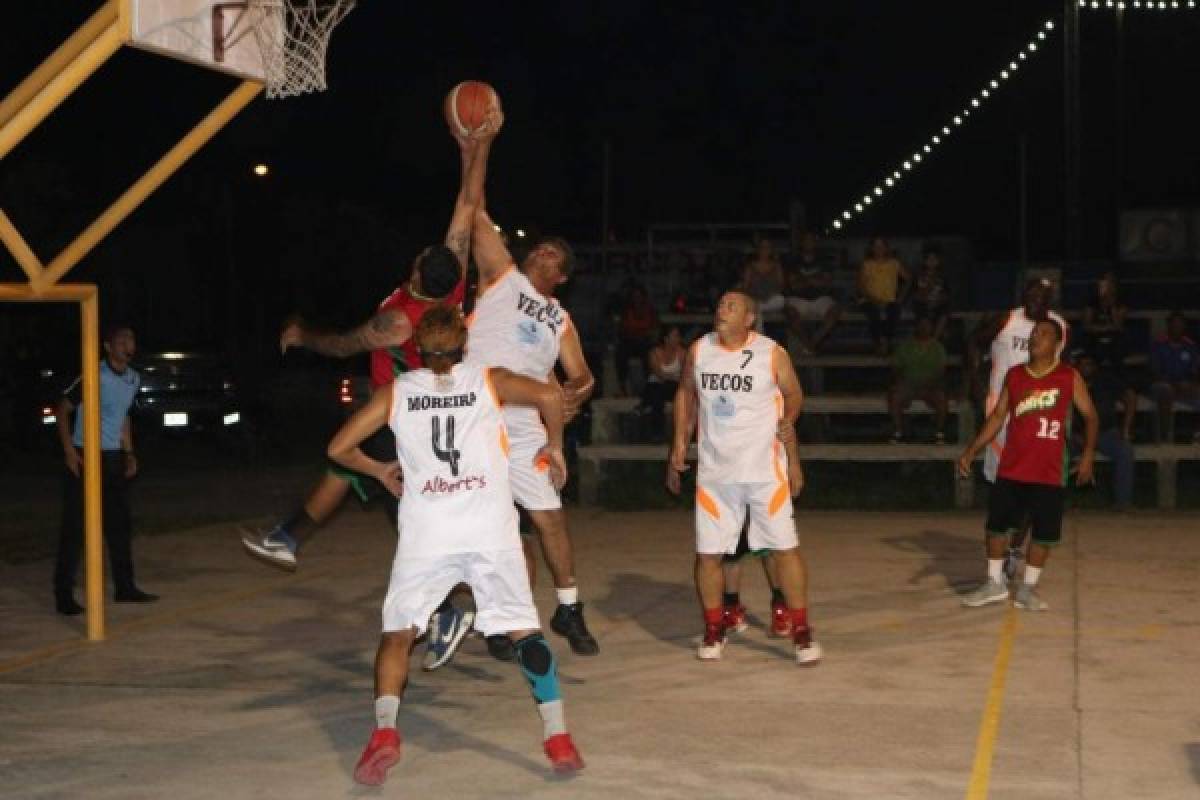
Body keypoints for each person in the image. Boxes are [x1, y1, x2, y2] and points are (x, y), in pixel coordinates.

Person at [242, 111, 501, 670]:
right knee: (344, 472)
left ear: (414, 275)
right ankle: (287, 537)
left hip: (401, 419)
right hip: (416, 412)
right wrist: (475, 143)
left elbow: (344, 345)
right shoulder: (451, 277)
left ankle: (453, 609)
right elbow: (469, 204)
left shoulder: (404, 320)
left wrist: (302, 333)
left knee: (406, 518)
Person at [328, 306, 584, 786]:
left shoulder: (396, 392)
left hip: (428, 531)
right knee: (523, 632)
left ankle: (385, 733)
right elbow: (551, 393)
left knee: (399, 633)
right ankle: (558, 738)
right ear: (465, 344)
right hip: (489, 529)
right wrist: (554, 445)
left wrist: (380, 470)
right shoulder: (490, 379)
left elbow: (338, 448)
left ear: (418, 352)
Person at [468, 206, 600, 657]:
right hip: (478, 416)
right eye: (540, 247)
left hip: (527, 424)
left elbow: (582, 374)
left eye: (553, 254)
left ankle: (568, 608)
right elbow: (474, 214)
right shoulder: (502, 278)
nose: (542, 252)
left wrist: (575, 391)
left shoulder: (559, 318)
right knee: (495, 531)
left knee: (550, 517)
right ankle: (500, 620)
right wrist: (476, 149)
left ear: (561, 275)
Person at [665, 290, 820, 665]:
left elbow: (795, 393)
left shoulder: (772, 353)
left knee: (784, 548)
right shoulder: (700, 351)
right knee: (708, 553)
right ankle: (714, 627)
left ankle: (801, 630)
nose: (722, 309)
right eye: (719, 304)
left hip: (764, 472)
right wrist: (678, 445)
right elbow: (685, 392)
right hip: (716, 473)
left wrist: (788, 421)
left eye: (731, 306)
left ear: (749, 318)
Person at [957, 318, 1098, 611]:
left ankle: (1027, 589)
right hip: (1013, 466)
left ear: (1057, 345)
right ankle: (994, 583)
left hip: (1049, 470)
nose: (1036, 338)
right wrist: (972, 450)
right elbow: (997, 417)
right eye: (1034, 333)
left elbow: (1091, 417)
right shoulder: (1015, 375)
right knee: (996, 526)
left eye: (1044, 334)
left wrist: (1086, 455)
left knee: (1044, 533)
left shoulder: (1067, 376)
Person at [968, 279, 1069, 579]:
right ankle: (1001, 540)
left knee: (1032, 486)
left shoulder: (1059, 327)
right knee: (1002, 485)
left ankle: (1013, 548)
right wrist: (974, 380)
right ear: (1022, 296)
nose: (1035, 299)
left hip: (1037, 415)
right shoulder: (1006, 319)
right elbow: (974, 341)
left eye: (1042, 295)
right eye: (1030, 294)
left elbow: (1061, 369)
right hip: (1002, 415)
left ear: (1051, 299)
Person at [54, 323, 157, 615]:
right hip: (86, 455)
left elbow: (124, 417)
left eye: (131, 338)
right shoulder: (93, 375)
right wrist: (69, 452)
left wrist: (129, 452)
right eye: (122, 340)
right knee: (75, 526)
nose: (128, 344)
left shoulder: (134, 379)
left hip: (112, 457)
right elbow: (62, 409)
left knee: (119, 525)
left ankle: (125, 587)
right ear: (108, 347)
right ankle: (63, 595)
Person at [1074, 349, 1135, 510]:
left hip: (1105, 434)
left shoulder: (1105, 381)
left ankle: (1123, 503)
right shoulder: (1070, 381)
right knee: (1055, 451)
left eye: (1090, 364)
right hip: (1076, 436)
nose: (1087, 368)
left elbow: (1129, 396)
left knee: (1125, 450)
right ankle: (1053, 502)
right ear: (1077, 366)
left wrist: (1126, 428)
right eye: (1083, 364)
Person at [888, 316, 949, 443]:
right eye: (921, 325)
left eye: (927, 325)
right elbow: (896, 369)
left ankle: (939, 432)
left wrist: (930, 384)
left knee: (942, 399)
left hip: (930, 385)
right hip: (909, 384)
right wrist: (900, 382)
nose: (924, 328)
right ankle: (898, 432)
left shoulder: (938, 348)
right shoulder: (905, 346)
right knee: (895, 397)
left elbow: (941, 372)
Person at [782, 232, 842, 355]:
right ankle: (809, 344)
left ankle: (811, 343)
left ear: (815, 243)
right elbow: (794, 284)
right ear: (801, 243)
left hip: (820, 298)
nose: (808, 243)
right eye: (806, 240)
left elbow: (826, 282)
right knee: (789, 312)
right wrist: (814, 280)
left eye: (811, 240)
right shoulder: (793, 260)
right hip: (798, 298)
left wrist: (804, 280)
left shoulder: (824, 260)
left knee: (835, 311)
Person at [1148, 311, 1200, 443]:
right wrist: (1174, 384)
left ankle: (1197, 433)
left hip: (1184, 387)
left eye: (1181, 325)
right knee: (1165, 389)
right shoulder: (1158, 344)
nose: (1178, 327)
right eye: (1175, 324)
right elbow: (1155, 372)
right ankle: (1165, 437)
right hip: (1161, 385)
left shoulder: (1190, 346)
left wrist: (1191, 383)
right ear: (1168, 326)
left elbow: (1194, 372)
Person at [856, 236, 910, 355]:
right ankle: (878, 344)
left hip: (890, 301)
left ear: (886, 248)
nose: (878, 249)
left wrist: (901, 297)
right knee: (873, 313)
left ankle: (885, 342)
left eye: (881, 246)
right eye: (875, 246)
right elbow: (860, 287)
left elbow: (909, 279)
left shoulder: (894, 263)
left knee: (895, 311)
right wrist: (874, 300)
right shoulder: (866, 264)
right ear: (871, 248)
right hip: (869, 300)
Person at [638, 324, 684, 431]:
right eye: (675, 336)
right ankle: (657, 432)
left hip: (673, 387)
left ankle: (643, 404)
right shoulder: (654, 353)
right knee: (657, 397)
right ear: (666, 338)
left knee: (664, 392)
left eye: (678, 336)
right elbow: (659, 374)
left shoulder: (682, 353)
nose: (678, 339)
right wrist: (673, 377)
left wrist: (671, 378)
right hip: (656, 385)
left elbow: (685, 375)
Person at [615, 284, 658, 397]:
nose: (637, 298)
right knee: (620, 353)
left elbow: (654, 328)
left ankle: (650, 386)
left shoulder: (650, 310)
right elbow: (623, 328)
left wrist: (644, 333)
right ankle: (622, 386)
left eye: (639, 296)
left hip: (645, 342)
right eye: (634, 296)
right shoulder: (626, 311)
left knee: (648, 354)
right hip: (630, 342)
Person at [1081, 271, 1127, 369]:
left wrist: (1111, 305)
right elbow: (1087, 326)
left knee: (1117, 350)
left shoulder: (1120, 302)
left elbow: (1118, 325)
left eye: (1111, 283)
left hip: (1114, 340)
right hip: (1095, 339)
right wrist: (1106, 328)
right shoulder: (1092, 302)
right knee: (1092, 348)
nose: (1108, 286)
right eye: (1105, 283)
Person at [909, 246, 951, 340]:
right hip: (922, 305)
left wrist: (938, 300)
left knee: (944, 312)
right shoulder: (919, 276)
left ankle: (934, 340)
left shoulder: (942, 277)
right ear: (924, 261)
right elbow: (915, 295)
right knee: (923, 316)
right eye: (929, 259)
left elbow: (947, 295)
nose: (931, 261)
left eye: (934, 259)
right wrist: (927, 289)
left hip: (938, 305)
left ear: (938, 261)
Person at [740, 237, 788, 319]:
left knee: (781, 300)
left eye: (767, 247)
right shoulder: (750, 266)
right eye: (762, 247)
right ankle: (758, 310)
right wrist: (756, 295)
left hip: (771, 299)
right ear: (758, 249)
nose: (764, 250)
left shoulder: (776, 266)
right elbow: (745, 287)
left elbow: (781, 285)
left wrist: (770, 294)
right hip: (755, 298)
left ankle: (758, 308)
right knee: (754, 307)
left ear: (771, 250)